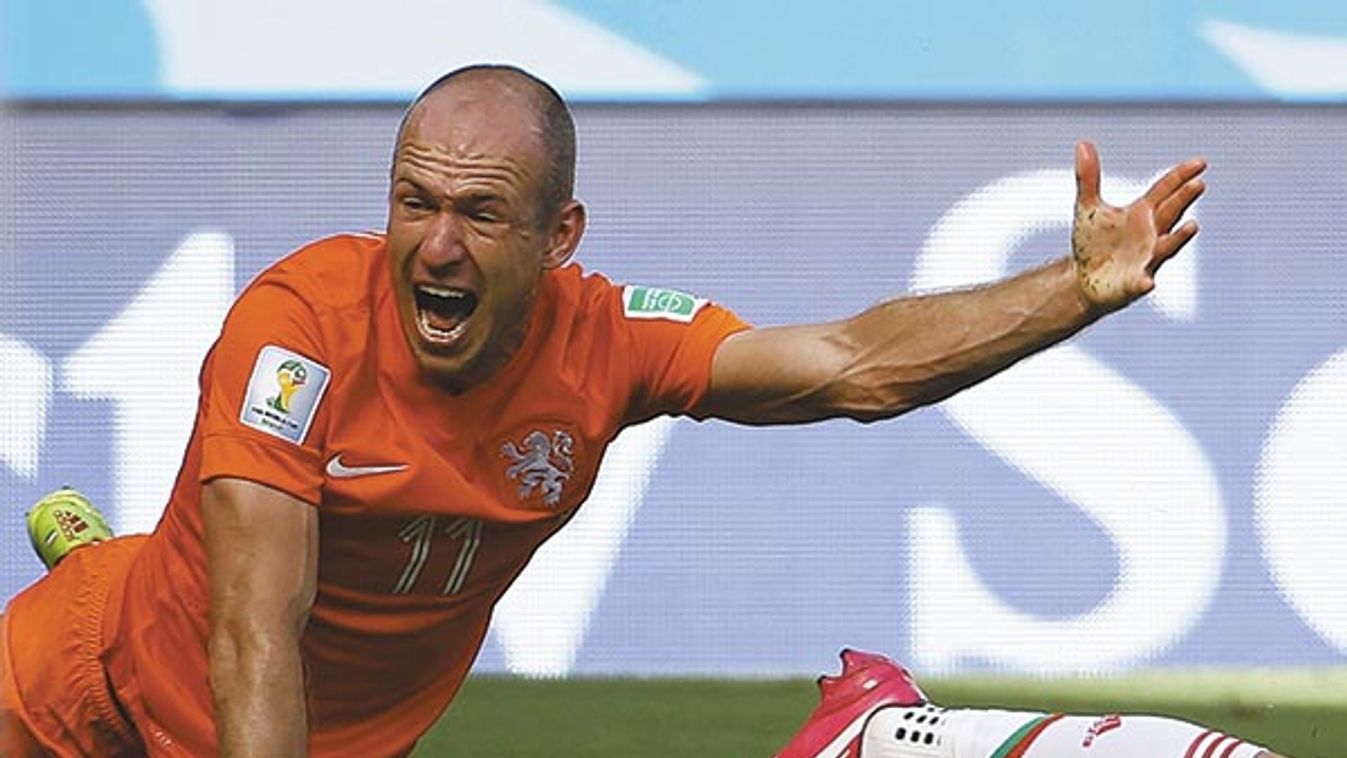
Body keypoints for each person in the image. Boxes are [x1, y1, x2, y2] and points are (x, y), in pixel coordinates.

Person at [0, 64, 1284, 758]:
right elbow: (253, 632)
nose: (436, 245)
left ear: (560, 234)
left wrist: (1073, 287)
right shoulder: (300, 330)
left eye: (481, 212)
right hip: (75, 703)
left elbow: (850, 362)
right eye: (414, 202)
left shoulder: (606, 339)